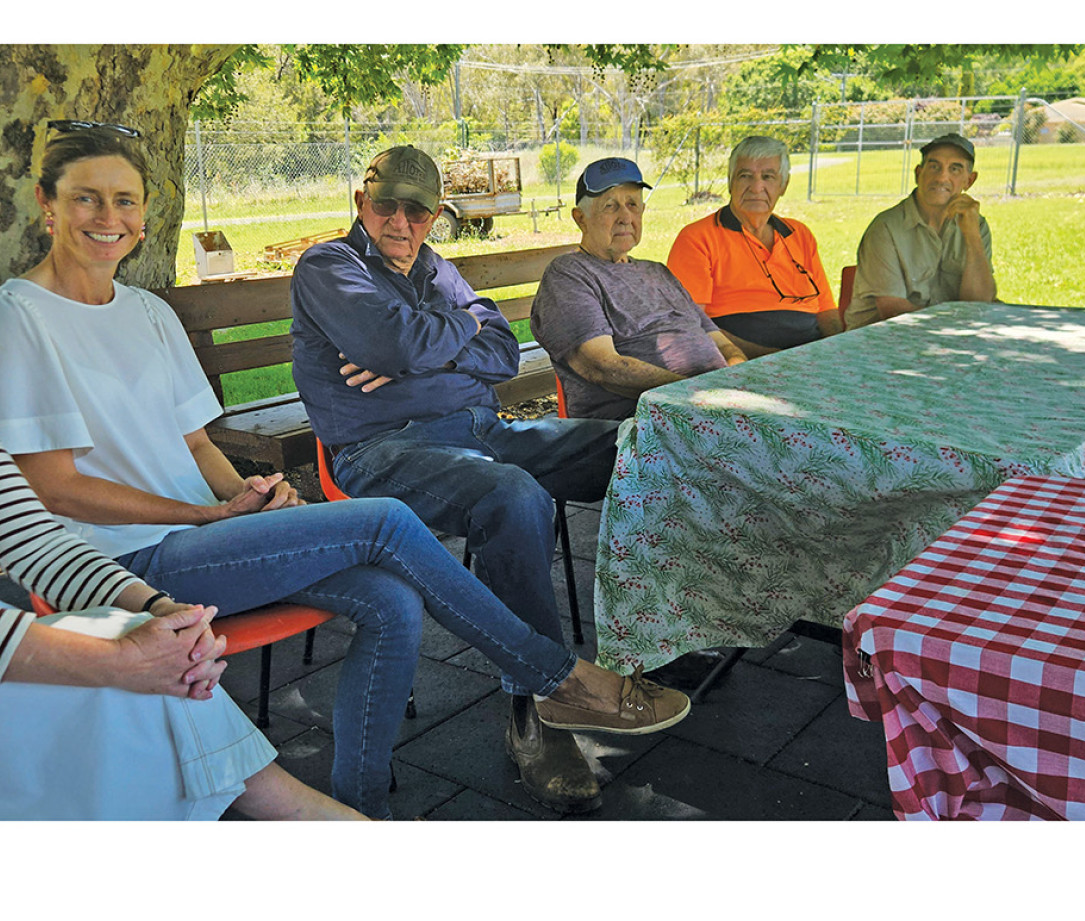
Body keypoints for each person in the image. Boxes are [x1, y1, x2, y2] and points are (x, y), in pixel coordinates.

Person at [0, 124, 685, 821]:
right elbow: (48, 489)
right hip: (115, 562)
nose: (107, 217)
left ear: (144, 216)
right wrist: (205, 515)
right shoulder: (14, 318)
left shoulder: (145, 311)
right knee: (391, 520)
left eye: (124, 201)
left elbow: (198, 446)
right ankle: (558, 678)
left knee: (393, 601)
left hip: (210, 532)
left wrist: (242, 493)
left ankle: (361, 809)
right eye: (86, 197)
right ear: (46, 205)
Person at [0, 163, 368, 820]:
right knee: (114, 689)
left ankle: (291, 815)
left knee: (132, 666)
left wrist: (156, 611)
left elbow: (32, 537)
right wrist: (121, 658)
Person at [290, 144, 686, 814]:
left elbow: (502, 353)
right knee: (512, 495)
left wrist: (422, 350)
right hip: (380, 450)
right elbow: (394, 345)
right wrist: (447, 334)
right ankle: (540, 705)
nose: (400, 220)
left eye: (417, 209)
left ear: (435, 214)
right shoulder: (329, 265)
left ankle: (668, 629)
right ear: (362, 203)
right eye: (386, 203)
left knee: (647, 444)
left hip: (481, 430)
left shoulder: (438, 270)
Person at [531, 157, 746, 420]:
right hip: (643, 424)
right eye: (610, 206)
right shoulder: (570, 275)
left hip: (712, 407)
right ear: (581, 218)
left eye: (632, 204)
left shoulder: (658, 272)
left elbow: (723, 344)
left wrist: (739, 380)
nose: (625, 217)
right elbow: (602, 367)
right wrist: (693, 395)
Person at [667, 136, 842, 357]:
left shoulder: (800, 234)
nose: (756, 187)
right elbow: (692, 324)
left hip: (811, 355)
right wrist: (769, 356)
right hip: (743, 359)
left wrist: (840, 350)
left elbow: (826, 311)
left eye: (768, 176)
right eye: (745, 176)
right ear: (731, 182)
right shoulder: (697, 238)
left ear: (783, 185)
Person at [844, 132, 997, 330]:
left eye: (955, 169)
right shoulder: (885, 228)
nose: (942, 177)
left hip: (948, 338)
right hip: (880, 341)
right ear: (918, 174)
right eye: (934, 167)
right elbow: (893, 312)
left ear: (970, 180)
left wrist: (972, 236)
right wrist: (955, 329)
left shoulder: (976, 225)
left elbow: (980, 303)